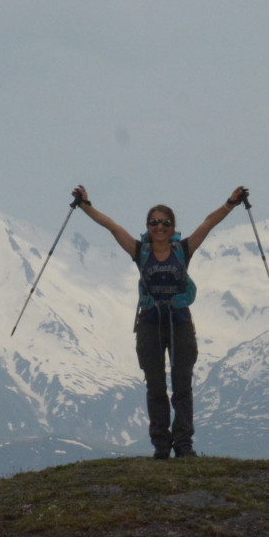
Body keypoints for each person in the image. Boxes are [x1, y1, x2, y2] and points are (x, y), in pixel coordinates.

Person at [73, 183, 249, 459]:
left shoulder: (184, 248)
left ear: (172, 226)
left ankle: (184, 445)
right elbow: (111, 226)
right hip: (150, 325)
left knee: (182, 385)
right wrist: (85, 205)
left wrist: (231, 202)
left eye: (165, 223)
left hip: (179, 324)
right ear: (148, 225)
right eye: (154, 222)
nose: (159, 227)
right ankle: (162, 446)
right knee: (155, 387)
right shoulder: (139, 250)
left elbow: (208, 223)